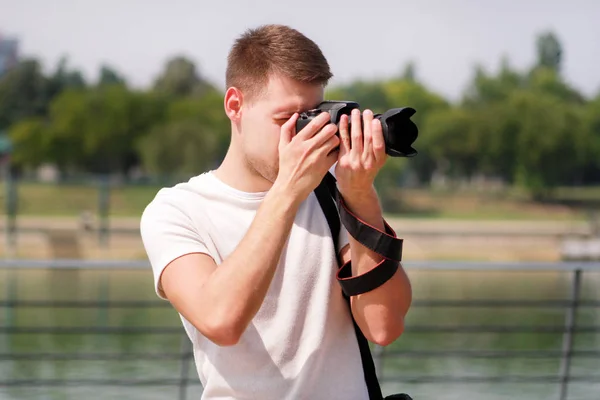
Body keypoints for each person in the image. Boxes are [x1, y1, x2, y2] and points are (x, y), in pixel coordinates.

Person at [140, 24, 413, 399]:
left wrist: (361, 196)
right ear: (234, 105)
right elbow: (220, 320)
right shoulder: (177, 210)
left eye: (312, 117)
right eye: (286, 119)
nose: (303, 136)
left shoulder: (332, 192)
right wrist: (287, 191)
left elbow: (384, 327)